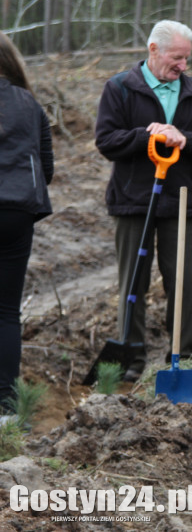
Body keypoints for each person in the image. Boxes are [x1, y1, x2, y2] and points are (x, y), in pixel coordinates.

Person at [95, 21, 192, 383]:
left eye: (187, 58)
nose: (183, 65)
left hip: (181, 201)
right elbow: (106, 140)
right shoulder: (120, 88)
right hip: (132, 199)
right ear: (153, 49)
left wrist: (185, 139)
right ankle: (131, 354)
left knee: (183, 281)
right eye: (176, 57)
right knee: (133, 280)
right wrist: (145, 135)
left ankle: (180, 355)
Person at [0, 32, 53, 418]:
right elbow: (45, 167)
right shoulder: (28, 103)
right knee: (5, 312)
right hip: (17, 212)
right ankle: (5, 410)